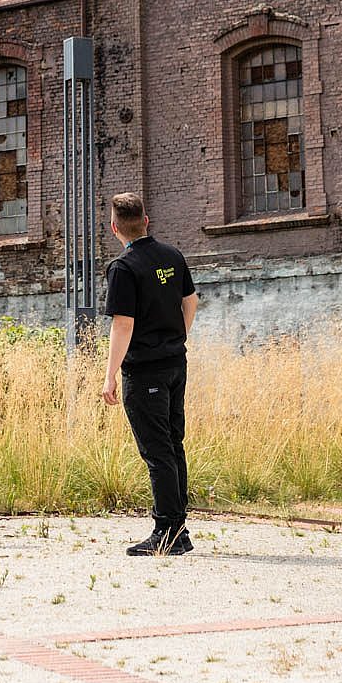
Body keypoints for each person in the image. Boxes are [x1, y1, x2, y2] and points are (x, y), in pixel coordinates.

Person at [100, 191, 197, 557]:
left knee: (158, 452)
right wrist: (178, 335)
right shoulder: (172, 256)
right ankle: (178, 529)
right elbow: (191, 301)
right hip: (175, 364)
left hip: (144, 373)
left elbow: (123, 325)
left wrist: (109, 375)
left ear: (114, 228)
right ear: (146, 221)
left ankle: (168, 532)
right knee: (173, 445)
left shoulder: (123, 268)